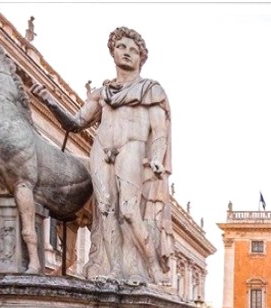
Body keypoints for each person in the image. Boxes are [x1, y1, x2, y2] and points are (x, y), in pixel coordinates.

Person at [32, 27, 173, 285]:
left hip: (133, 147)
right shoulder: (101, 93)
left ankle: (149, 267)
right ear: (113, 52)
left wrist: (156, 157)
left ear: (141, 57)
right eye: (121, 47)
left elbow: (160, 131)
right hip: (101, 149)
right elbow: (76, 123)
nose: (127, 53)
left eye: (133, 50)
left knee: (129, 210)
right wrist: (50, 102)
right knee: (105, 209)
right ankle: (115, 269)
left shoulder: (150, 90)